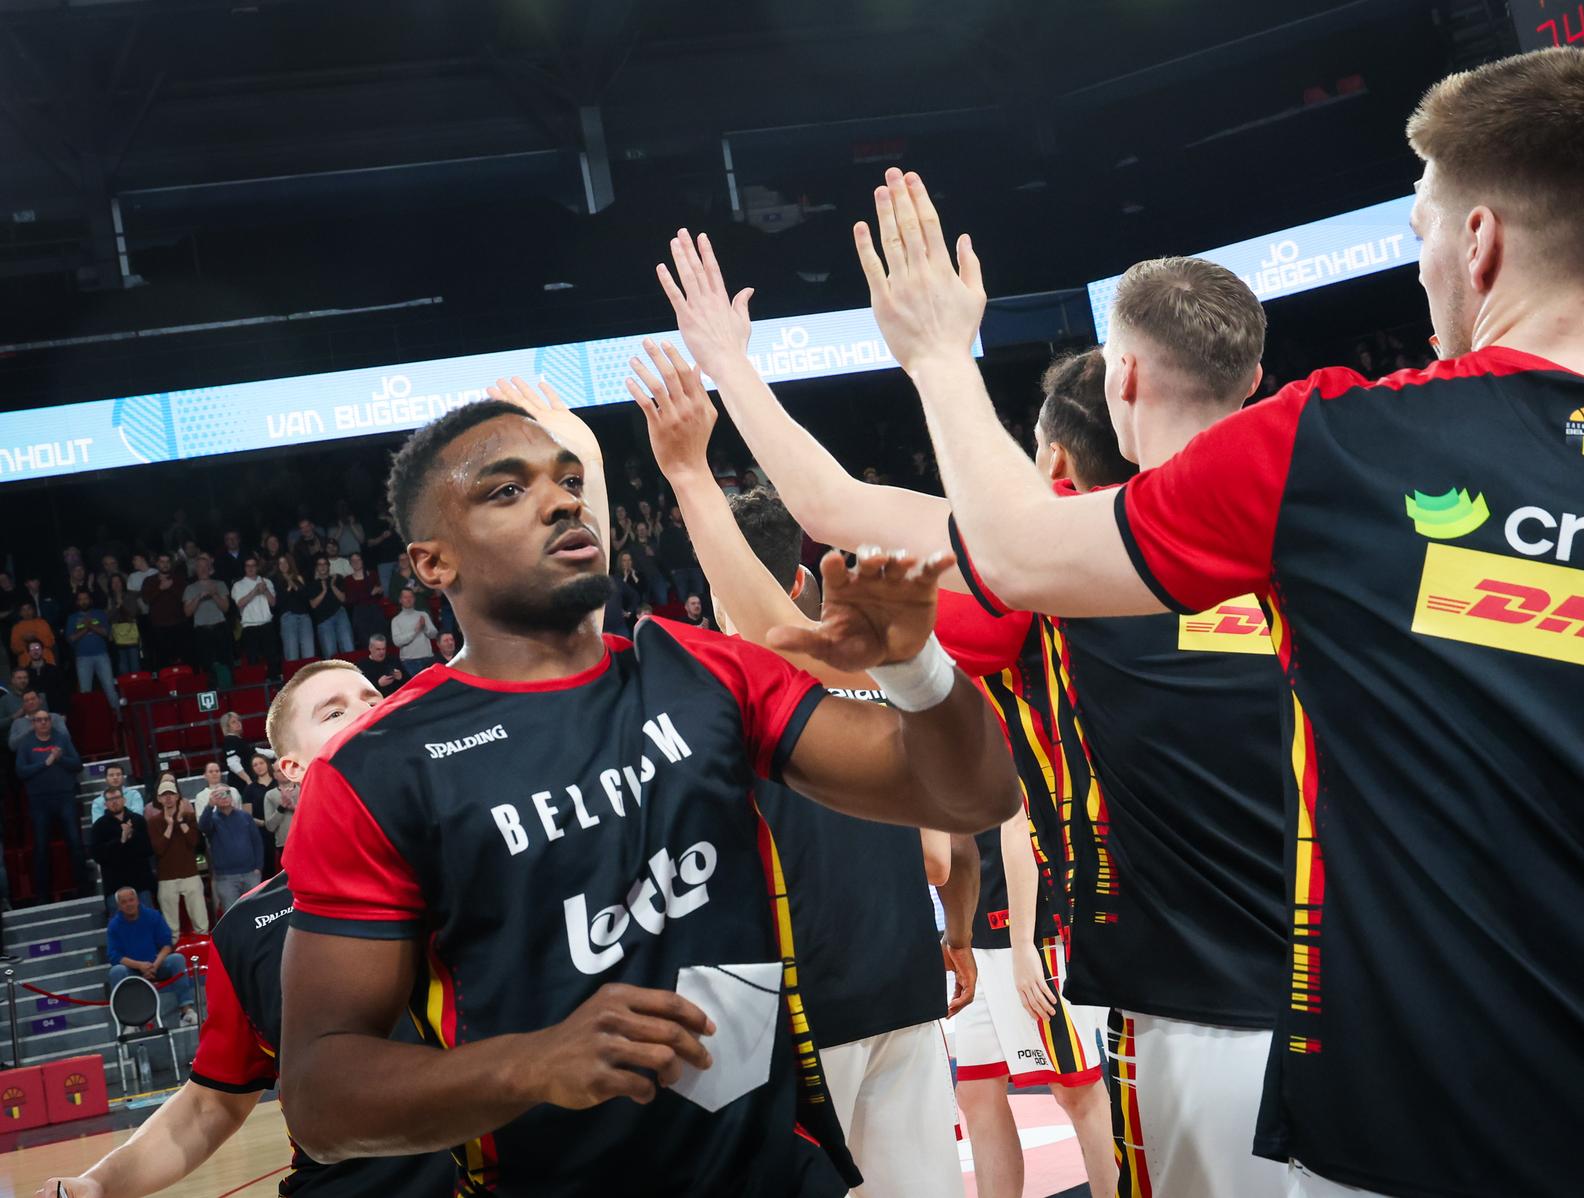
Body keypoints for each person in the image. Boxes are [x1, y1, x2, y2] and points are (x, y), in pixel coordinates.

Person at [868, 52, 1584, 1198]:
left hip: (1409, 1153)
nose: (1424, 268)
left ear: (1477, 242)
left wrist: (932, 352)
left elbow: (1020, 550)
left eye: (1420, 229)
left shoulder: (1330, 449)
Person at [658, 226, 1287, 1194]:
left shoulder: (1056, 565)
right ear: (1250, 379)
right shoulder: (1316, 521)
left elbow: (827, 506)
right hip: (1380, 982)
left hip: (1194, 1014)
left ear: (1100, 422)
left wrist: (730, 373)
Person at [277, 396, 1019, 1197]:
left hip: (774, 1168)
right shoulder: (377, 769)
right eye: (506, 491)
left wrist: (915, 671)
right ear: (432, 563)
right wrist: (531, 1062)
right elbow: (319, 1095)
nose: (562, 499)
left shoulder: (701, 669)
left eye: (568, 479)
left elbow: (974, 797)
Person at [610, 364, 982, 1198]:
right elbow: (939, 852)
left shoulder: (709, 696)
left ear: (717, 581)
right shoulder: (878, 677)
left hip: (789, 1010)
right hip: (902, 979)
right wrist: (955, 935)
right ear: (799, 580)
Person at [39, 662, 453, 1198]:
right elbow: (212, 1102)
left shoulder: (494, 841)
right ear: (292, 767)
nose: (368, 710)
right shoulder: (248, 929)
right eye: (335, 711)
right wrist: (95, 1185)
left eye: (374, 697)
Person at [18, 709, 83, 903]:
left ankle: (83, 888)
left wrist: (59, 758)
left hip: (65, 796)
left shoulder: (61, 738)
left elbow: (77, 764)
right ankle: (42, 895)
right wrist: (46, 763)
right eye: (39, 720)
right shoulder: (26, 743)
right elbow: (21, 771)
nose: (44, 723)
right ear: (33, 724)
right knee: (41, 847)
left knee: (75, 842)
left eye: (46, 719)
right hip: (39, 801)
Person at [104, 888, 195, 1025]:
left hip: (156, 965)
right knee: (116, 971)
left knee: (177, 959)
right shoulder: (114, 925)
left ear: (137, 900)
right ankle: (129, 1022)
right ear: (119, 906)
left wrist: (154, 965)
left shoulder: (153, 916)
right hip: (132, 970)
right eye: (124, 902)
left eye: (131, 900)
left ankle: (186, 1011)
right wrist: (140, 966)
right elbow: (114, 956)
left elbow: (167, 944)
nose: (129, 904)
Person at [146, 777, 207, 938]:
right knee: (171, 927)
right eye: (164, 795)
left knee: (201, 921)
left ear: (177, 796)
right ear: (159, 799)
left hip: (190, 873)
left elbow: (194, 842)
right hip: (167, 877)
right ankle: (175, 953)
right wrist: (170, 825)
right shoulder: (153, 822)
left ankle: (205, 948)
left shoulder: (189, 817)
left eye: (171, 794)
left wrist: (179, 821)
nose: (168, 798)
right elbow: (158, 849)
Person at [91, 785, 156, 916]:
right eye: (110, 799)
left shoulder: (138, 820)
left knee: (149, 922)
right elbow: (98, 855)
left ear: (124, 800)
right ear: (105, 804)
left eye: (117, 798)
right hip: (115, 885)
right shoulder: (99, 826)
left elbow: (149, 849)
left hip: (141, 883)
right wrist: (120, 840)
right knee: (121, 928)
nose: (114, 802)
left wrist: (131, 836)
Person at [199, 782, 260, 919]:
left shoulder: (245, 817)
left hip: (250, 873)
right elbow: (203, 827)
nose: (224, 797)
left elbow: (257, 842)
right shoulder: (212, 820)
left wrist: (258, 867)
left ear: (232, 797)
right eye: (219, 794)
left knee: (256, 914)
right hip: (226, 877)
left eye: (227, 793)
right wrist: (209, 806)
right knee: (232, 917)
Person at [65, 590, 121, 708]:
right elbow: (71, 638)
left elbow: (106, 633)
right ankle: (89, 720)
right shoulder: (72, 618)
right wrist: (86, 628)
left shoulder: (99, 613)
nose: (83, 601)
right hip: (82, 658)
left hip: (102, 655)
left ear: (90, 600)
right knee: (85, 692)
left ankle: (118, 717)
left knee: (110, 688)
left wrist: (90, 625)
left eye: (85, 598)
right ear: (77, 602)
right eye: (80, 599)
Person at [181, 555, 232, 675]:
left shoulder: (220, 584)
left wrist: (214, 595)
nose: (203, 569)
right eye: (200, 567)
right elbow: (187, 612)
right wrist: (199, 597)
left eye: (205, 566)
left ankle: (228, 691)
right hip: (202, 631)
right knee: (207, 665)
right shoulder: (190, 588)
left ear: (210, 568)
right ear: (196, 569)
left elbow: (225, 608)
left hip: (220, 628)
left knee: (225, 663)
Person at [143, 554, 190, 668]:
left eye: (167, 561)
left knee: (182, 660)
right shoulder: (150, 580)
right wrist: (160, 589)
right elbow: (146, 599)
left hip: (178, 624)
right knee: (162, 661)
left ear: (171, 563)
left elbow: (185, 598)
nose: (165, 564)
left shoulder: (179, 578)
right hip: (158, 626)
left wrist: (171, 587)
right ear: (157, 564)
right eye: (162, 561)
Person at [231, 556, 277, 667]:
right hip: (249, 627)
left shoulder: (266, 582)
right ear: (244, 568)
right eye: (248, 566)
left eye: (253, 565)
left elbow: (273, 603)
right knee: (253, 661)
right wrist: (255, 591)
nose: (251, 568)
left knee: (272, 659)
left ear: (257, 567)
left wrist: (265, 590)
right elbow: (239, 603)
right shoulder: (238, 585)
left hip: (267, 625)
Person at [306, 557, 352, 658]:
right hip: (323, 620)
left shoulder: (337, 579)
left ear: (328, 566)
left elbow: (343, 598)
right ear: (316, 568)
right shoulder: (312, 584)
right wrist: (324, 591)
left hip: (340, 614)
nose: (322, 566)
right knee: (331, 654)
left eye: (324, 564)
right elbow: (313, 604)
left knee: (348, 648)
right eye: (319, 564)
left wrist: (332, 586)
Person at [388, 587, 438, 677]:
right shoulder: (396, 620)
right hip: (409, 661)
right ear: (400, 600)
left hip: (427, 658)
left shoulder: (423, 615)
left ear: (414, 599)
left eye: (410, 597)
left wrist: (425, 627)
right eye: (405, 597)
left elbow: (434, 634)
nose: (408, 599)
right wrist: (415, 631)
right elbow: (397, 642)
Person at [342, 552, 387, 650]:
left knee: (380, 639)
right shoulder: (348, 580)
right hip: (360, 614)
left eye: (358, 559)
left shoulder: (372, 574)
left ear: (362, 561)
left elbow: (379, 592)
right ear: (350, 563)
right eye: (353, 560)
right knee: (366, 643)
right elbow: (350, 599)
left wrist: (375, 592)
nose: (356, 562)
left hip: (375, 611)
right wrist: (370, 594)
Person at [274, 554, 315, 662]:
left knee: (309, 654)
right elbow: (278, 603)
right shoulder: (276, 581)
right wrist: (288, 586)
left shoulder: (299, 577)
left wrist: (294, 584)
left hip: (304, 617)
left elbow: (306, 599)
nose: (283, 565)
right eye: (280, 563)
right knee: (292, 655)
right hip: (288, 617)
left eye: (285, 562)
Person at [107, 573, 143, 677]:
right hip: (117, 636)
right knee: (122, 667)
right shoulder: (109, 599)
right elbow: (108, 617)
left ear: (123, 583)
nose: (116, 584)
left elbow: (132, 614)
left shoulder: (130, 596)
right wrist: (118, 606)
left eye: (118, 581)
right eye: (113, 582)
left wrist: (121, 605)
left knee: (135, 664)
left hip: (130, 633)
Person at [24, 640, 66, 713]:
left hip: (55, 710)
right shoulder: (25, 672)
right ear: (28, 652)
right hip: (33, 712)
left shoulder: (54, 669)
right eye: (32, 649)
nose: (35, 651)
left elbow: (63, 691)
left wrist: (63, 712)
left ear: (42, 650)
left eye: (37, 648)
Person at [11, 602, 55, 669]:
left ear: (34, 610)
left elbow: (51, 642)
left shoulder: (43, 623)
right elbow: (15, 649)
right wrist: (23, 640)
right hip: (26, 662)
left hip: (46, 659)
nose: (27, 612)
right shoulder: (16, 627)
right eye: (23, 610)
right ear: (20, 613)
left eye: (29, 608)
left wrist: (36, 637)